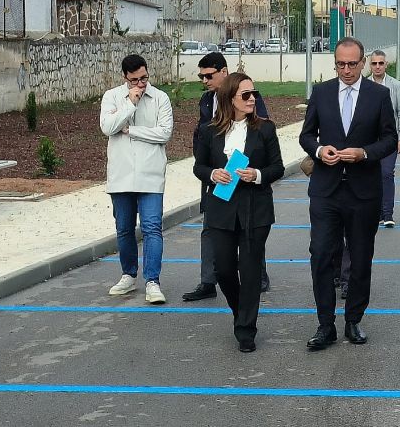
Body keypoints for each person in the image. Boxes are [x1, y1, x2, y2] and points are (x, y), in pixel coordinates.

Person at [299, 37, 397, 350]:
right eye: (340, 64)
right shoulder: (321, 92)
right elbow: (306, 135)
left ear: (363, 62)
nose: (346, 70)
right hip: (326, 190)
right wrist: (319, 150)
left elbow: (389, 140)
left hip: (363, 191)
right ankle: (325, 324)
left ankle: (353, 319)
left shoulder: (378, 95)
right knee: (320, 255)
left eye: (352, 64)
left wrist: (363, 153)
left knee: (361, 257)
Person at [193, 73, 284, 352]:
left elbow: (277, 167)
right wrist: (213, 174)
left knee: (250, 269)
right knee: (223, 269)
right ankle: (239, 312)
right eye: (245, 95)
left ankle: (246, 329)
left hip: (255, 208)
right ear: (230, 98)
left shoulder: (265, 129)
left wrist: (257, 174)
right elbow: (199, 166)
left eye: (254, 93)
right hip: (221, 207)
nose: (252, 99)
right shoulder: (209, 130)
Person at [184, 52, 271, 302]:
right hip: (217, 176)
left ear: (224, 72)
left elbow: (260, 131)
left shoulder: (247, 95)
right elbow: (202, 134)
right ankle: (208, 280)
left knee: (249, 230)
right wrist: (209, 168)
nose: (205, 81)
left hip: (244, 177)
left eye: (209, 75)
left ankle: (257, 275)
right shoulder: (206, 100)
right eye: (201, 76)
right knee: (210, 226)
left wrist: (252, 168)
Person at [100, 54, 174, 304]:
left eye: (144, 78)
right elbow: (108, 127)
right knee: (124, 228)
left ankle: (153, 281)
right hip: (121, 175)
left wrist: (130, 130)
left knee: (152, 227)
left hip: (151, 174)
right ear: (125, 78)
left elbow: (164, 133)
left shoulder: (160, 98)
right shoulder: (112, 97)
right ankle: (128, 275)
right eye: (135, 80)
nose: (141, 84)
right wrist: (130, 104)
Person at [368, 50, 400, 228]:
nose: (377, 66)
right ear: (370, 65)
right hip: (368, 140)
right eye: (374, 63)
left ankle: (387, 214)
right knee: (371, 176)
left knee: (386, 173)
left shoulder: (396, 85)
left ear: (386, 64)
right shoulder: (363, 85)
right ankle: (376, 212)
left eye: (381, 63)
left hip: (389, 139)